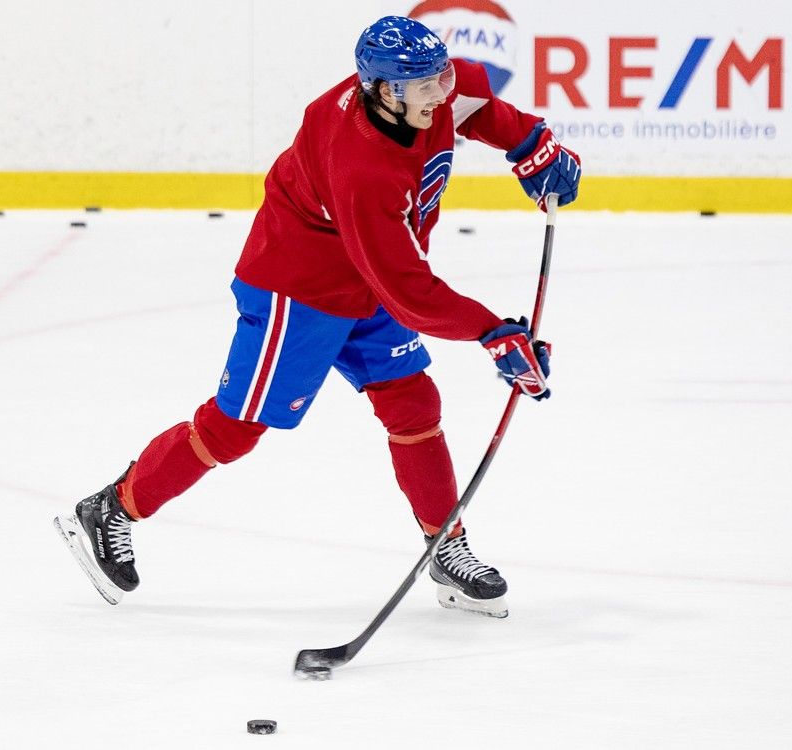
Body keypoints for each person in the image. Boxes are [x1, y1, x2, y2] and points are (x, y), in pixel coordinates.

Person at [54, 16, 581, 618]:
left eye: (443, 75)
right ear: (385, 91)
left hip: (370, 281)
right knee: (235, 428)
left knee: (414, 404)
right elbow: (407, 289)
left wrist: (531, 144)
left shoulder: (426, 91)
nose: (442, 92)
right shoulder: (361, 165)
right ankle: (111, 509)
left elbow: (480, 106)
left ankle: (446, 547)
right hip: (297, 289)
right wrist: (491, 331)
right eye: (426, 85)